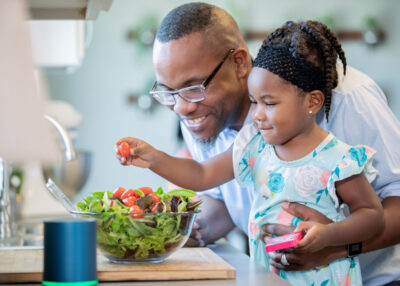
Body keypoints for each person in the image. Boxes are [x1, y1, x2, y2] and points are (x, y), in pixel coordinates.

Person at [143, 3, 400, 285]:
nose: (181, 108)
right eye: (169, 92)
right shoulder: (198, 113)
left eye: (193, 88)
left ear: (239, 62)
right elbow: (219, 193)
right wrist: (184, 228)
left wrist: (333, 247)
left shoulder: (349, 98)